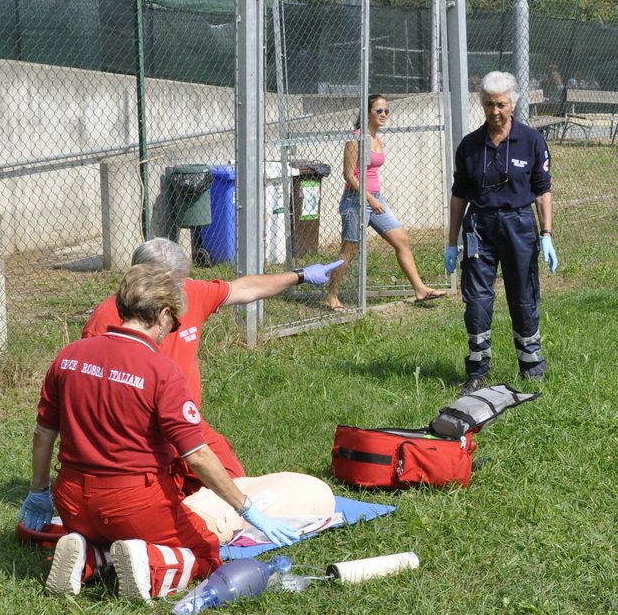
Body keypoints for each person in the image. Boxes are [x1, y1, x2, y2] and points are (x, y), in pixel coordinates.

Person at [20, 264, 301, 602]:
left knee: (107, 531)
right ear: (164, 314)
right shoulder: (161, 371)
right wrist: (247, 509)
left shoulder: (68, 357)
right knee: (205, 551)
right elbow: (196, 455)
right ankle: (148, 562)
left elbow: (43, 433)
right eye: (175, 321)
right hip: (132, 503)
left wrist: (39, 491)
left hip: (72, 502)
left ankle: (91, 555)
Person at [82, 238, 341, 477]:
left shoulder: (192, 293)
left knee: (231, 478)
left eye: (184, 281)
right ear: (144, 281)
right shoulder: (106, 319)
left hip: (184, 421)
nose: (183, 290)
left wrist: (300, 275)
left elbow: (246, 288)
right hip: (134, 433)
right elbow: (88, 393)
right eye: (175, 283)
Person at [446, 70, 557, 392]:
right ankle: (477, 369)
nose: (495, 111)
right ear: (482, 104)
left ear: (513, 104)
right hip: (479, 226)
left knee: (523, 296)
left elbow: (542, 190)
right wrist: (452, 242)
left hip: (519, 225)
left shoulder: (532, 141)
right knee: (477, 300)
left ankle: (531, 364)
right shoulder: (469, 146)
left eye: (502, 105)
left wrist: (546, 234)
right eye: (489, 105)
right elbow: (459, 196)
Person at [322, 94, 448, 311]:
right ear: (367, 113)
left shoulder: (377, 138)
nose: (383, 114)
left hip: (376, 199)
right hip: (356, 201)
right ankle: (330, 296)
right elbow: (349, 175)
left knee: (402, 240)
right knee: (349, 251)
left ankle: (419, 289)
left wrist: (375, 198)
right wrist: (369, 198)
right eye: (378, 110)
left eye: (386, 111)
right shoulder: (356, 138)